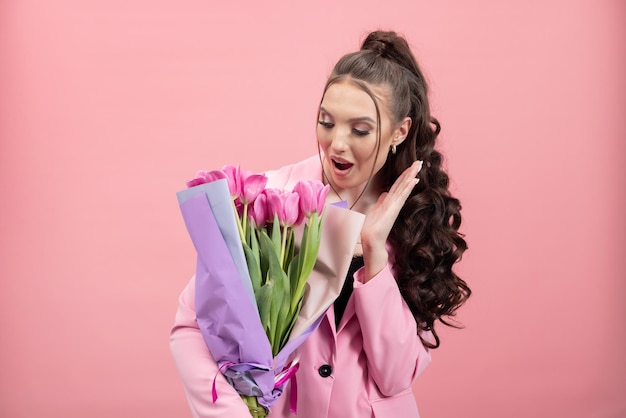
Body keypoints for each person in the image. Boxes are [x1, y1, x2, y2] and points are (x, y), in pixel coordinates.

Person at [170, 30, 471, 418]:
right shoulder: (270, 200)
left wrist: (375, 253)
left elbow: (396, 377)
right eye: (327, 123)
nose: (337, 144)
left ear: (400, 132)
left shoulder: (415, 221)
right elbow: (193, 326)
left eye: (359, 130)